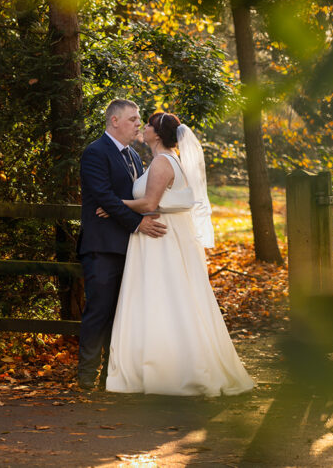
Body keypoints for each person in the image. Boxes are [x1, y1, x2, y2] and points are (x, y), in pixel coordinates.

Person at [102, 111, 255, 396]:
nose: (143, 127)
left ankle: (170, 370)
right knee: (170, 297)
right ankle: (163, 364)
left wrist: (112, 204)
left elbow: (149, 202)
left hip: (160, 239)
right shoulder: (167, 160)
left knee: (163, 296)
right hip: (161, 235)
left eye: (147, 124)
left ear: (157, 134)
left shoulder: (162, 162)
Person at [77, 99, 167, 391]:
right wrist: (138, 222)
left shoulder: (133, 156)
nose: (138, 124)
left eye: (139, 119)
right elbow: (103, 196)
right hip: (102, 247)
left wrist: (137, 216)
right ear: (114, 121)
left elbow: (132, 200)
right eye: (133, 119)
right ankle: (86, 375)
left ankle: (111, 377)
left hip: (130, 247)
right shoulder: (95, 153)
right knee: (99, 311)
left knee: (122, 315)